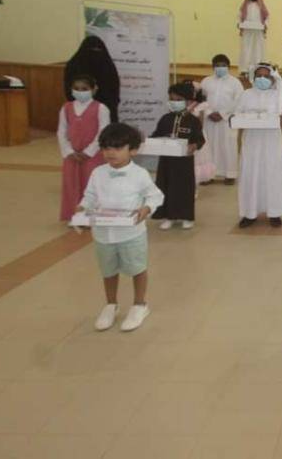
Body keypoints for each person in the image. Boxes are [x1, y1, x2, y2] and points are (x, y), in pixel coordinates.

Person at [77, 122, 164, 332]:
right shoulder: (98, 173)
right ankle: (111, 305)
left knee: (137, 268)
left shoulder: (139, 173)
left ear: (132, 150)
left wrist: (146, 208)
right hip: (103, 234)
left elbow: (155, 195)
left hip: (131, 233)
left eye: (117, 148)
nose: (111, 153)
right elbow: (90, 196)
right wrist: (82, 208)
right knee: (108, 270)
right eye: (107, 148)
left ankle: (140, 305)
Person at [235, 63, 282, 228]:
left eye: (266, 76)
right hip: (251, 141)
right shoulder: (246, 95)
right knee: (250, 175)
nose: (262, 79)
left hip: (272, 142)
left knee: (272, 175)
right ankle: (249, 213)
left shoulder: (278, 94)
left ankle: (275, 212)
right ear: (253, 77)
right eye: (259, 76)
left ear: (272, 78)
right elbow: (236, 113)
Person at [150, 83, 205, 230]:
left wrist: (194, 146)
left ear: (188, 101)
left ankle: (187, 217)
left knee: (184, 189)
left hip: (184, 162)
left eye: (178, 99)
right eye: (172, 99)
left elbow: (200, 140)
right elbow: (156, 135)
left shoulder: (193, 121)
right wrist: (149, 141)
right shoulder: (165, 119)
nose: (175, 102)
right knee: (165, 187)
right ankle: (169, 217)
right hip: (166, 162)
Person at [58, 75, 111, 221]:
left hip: (93, 155)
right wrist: (69, 151)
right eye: (77, 89)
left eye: (84, 89)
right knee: (71, 184)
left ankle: (91, 216)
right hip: (72, 155)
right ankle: (74, 215)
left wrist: (88, 152)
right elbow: (61, 131)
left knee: (91, 185)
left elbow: (103, 132)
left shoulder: (101, 108)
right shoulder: (66, 108)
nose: (80, 92)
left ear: (94, 90)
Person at [200, 54, 243, 185]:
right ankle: (209, 175)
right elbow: (200, 99)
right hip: (209, 119)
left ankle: (230, 174)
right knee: (208, 147)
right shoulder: (206, 81)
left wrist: (223, 114)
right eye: (217, 65)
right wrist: (209, 112)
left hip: (227, 120)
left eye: (223, 65)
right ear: (213, 67)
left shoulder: (235, 83)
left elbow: (239, 101)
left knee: (228, 146)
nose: (220, 68)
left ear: (228, 67)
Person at [64, 35, 121, 123]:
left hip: (106, 112)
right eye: (90, 51)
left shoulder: (108, 67)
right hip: (80, 112)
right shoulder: (74, 66)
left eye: (97, 51)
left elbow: (113, 92)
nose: (94, 56)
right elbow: (69, 90)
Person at [238, 0, 269, 75]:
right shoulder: (245, 6)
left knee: (258, 50)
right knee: (246, 50)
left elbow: (267, 17)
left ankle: (257, 69)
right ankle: (245, 69)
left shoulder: (261, 6)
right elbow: (239, 17)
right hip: (247, 31)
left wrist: (265, 25)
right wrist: (240, 24)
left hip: (258, 32)